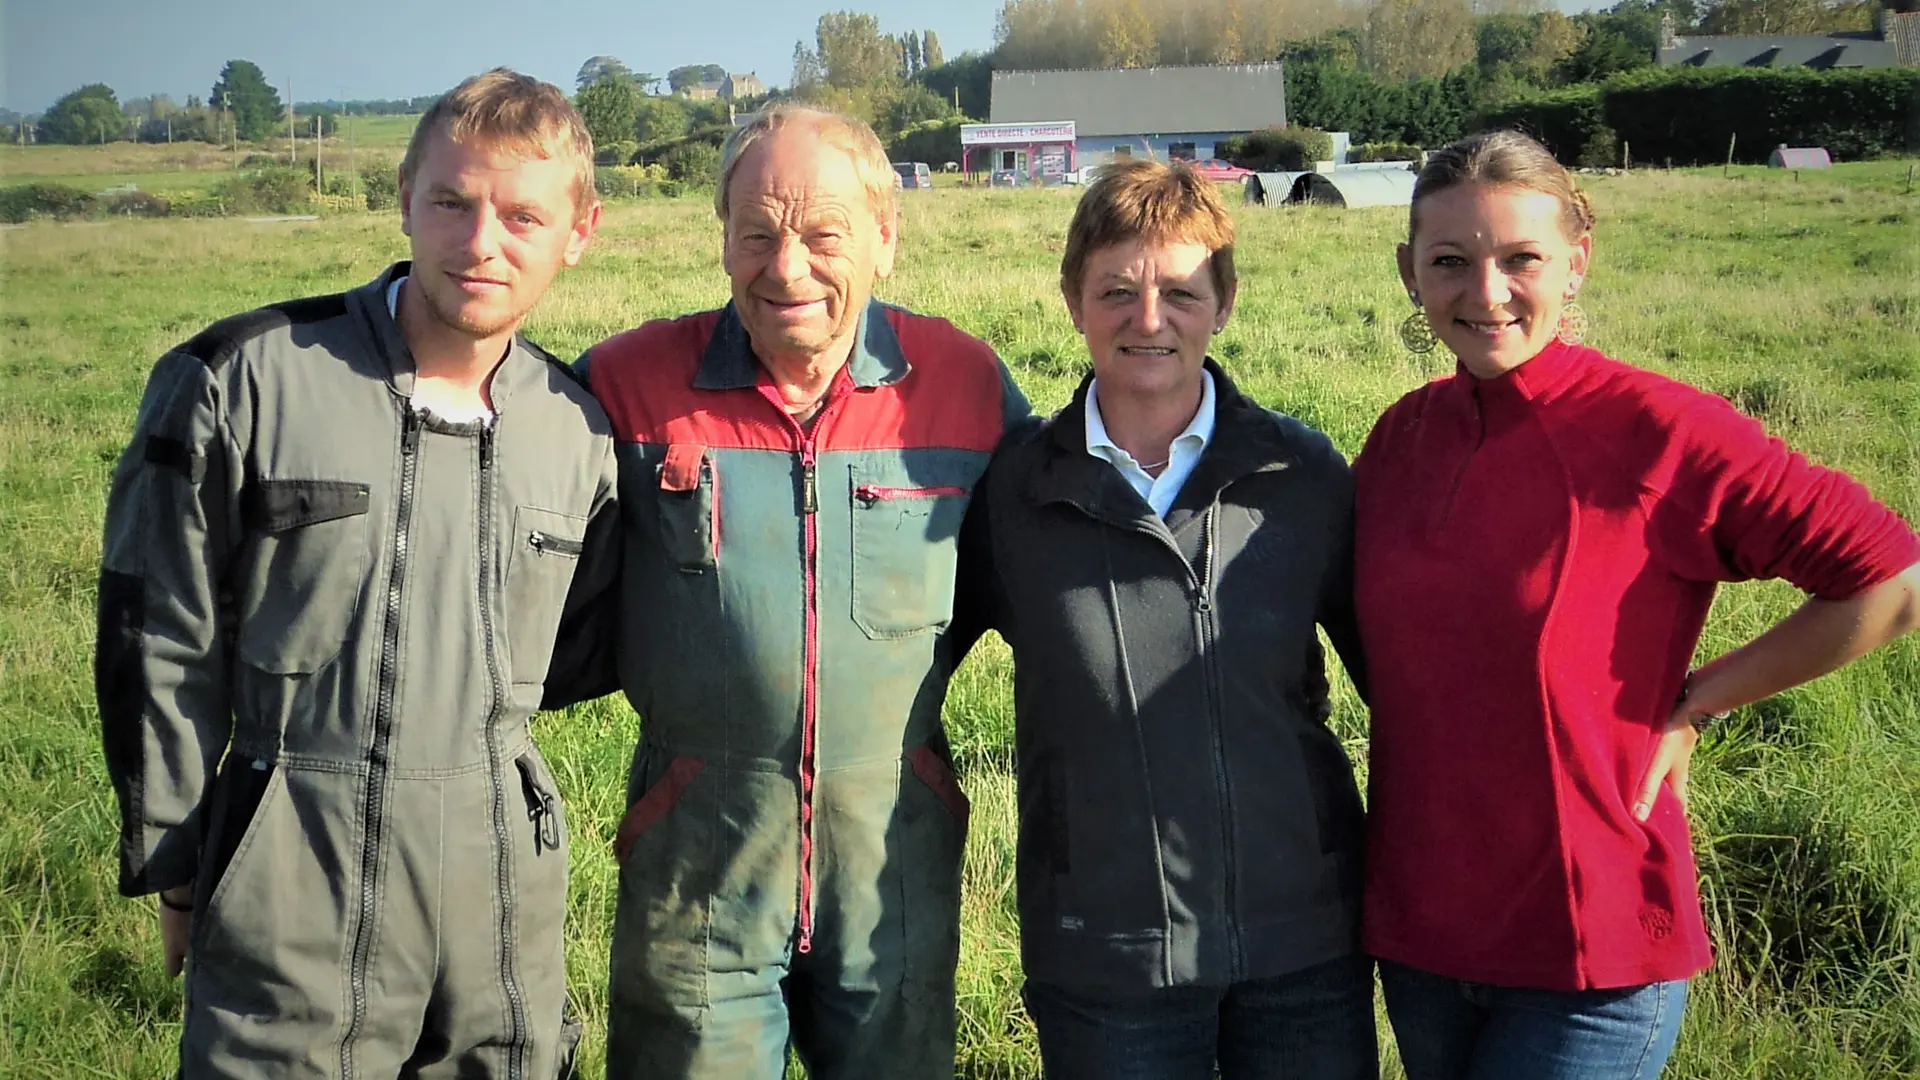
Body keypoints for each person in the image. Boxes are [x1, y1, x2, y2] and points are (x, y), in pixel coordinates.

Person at [1353, 129, 1920, 1080]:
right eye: (1451, 262)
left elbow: (1891, 579)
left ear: (1576, 264)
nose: (1485, 293)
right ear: (1410, 272)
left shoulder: (1656, 431)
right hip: (1422, 940)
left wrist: (1701, 700)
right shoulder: (1401, 439)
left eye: (1520, 259)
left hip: (1593, 952)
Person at [94, 69, 618, 1077]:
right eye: (452, 204)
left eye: (522, 215)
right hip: (291, 873)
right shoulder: (242, 379)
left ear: (579, 230)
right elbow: (160, 633)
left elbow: (582, 646)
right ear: (405, 199)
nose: (480, 244)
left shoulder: (578, 429)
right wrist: (177, 862)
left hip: (502, 905)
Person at [567, 104, 1030, 1079]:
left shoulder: (968, 385)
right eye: (757, 234)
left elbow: (1036, 580)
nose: (788, 269)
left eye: (824, 235)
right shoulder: (624, 385)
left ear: (885, 240)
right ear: (723, 241)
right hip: (699, 861)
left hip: (891, 857)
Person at [952, 159, 1378, 1080]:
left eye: (1181, 292)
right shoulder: (1014, 489)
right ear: (1072, 300)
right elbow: (902, 668)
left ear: (1223, 303)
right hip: (1106, 955)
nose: (1149, 321)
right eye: (1117, 290)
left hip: (1303, 943)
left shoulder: (1300, 476)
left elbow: (1403, 680)